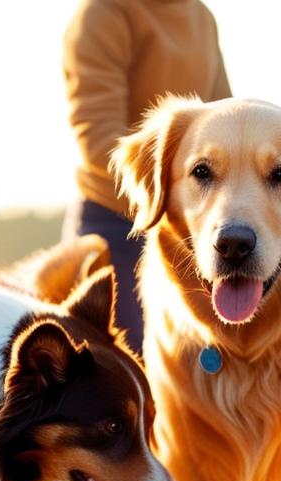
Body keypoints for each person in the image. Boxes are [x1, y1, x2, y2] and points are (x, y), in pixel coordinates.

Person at [63, 0, 231, 354]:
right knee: (130, 356)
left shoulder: (201, 16)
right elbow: (97, 137)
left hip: (188, 225)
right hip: (112, 223)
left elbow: (226, 120)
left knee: (204, 355)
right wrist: (167, 196)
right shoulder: (104, 14)